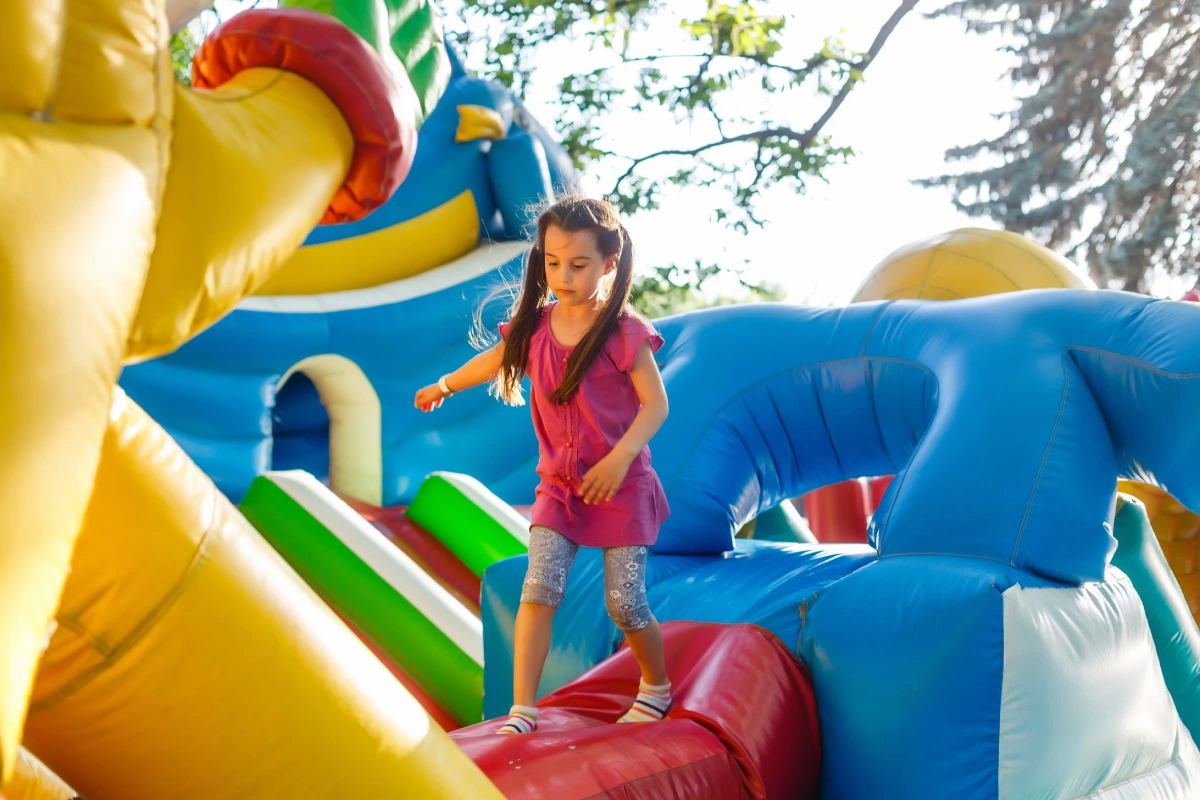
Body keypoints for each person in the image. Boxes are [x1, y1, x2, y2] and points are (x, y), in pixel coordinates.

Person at [414, 195, 672, 734]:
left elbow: (657, 405)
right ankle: (523, 709)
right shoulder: (536, 327)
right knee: (539, 587)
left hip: (620, 486)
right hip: (559, 487)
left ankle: (656, 685)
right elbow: (493, 361)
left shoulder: (624, 332)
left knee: (624, 602)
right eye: (552, 262)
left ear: (609, 263)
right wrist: (443, 386)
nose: (563, 275)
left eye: (578, 265)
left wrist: (623, 458)